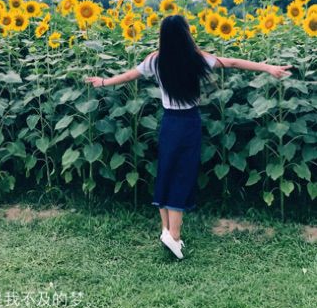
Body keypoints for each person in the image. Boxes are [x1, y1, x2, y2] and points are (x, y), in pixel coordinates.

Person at [84, 14, 292, 260]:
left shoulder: (155, 60)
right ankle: (173, 236)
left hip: (169, 122)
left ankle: (166, 230)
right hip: (189, 122)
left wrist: (103, 81)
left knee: (167, 171)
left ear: (163, 36)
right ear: (186, 33)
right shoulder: (196, 58)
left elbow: (129, 76)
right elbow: (233, 62)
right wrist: (268, 68)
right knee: (182, 174)